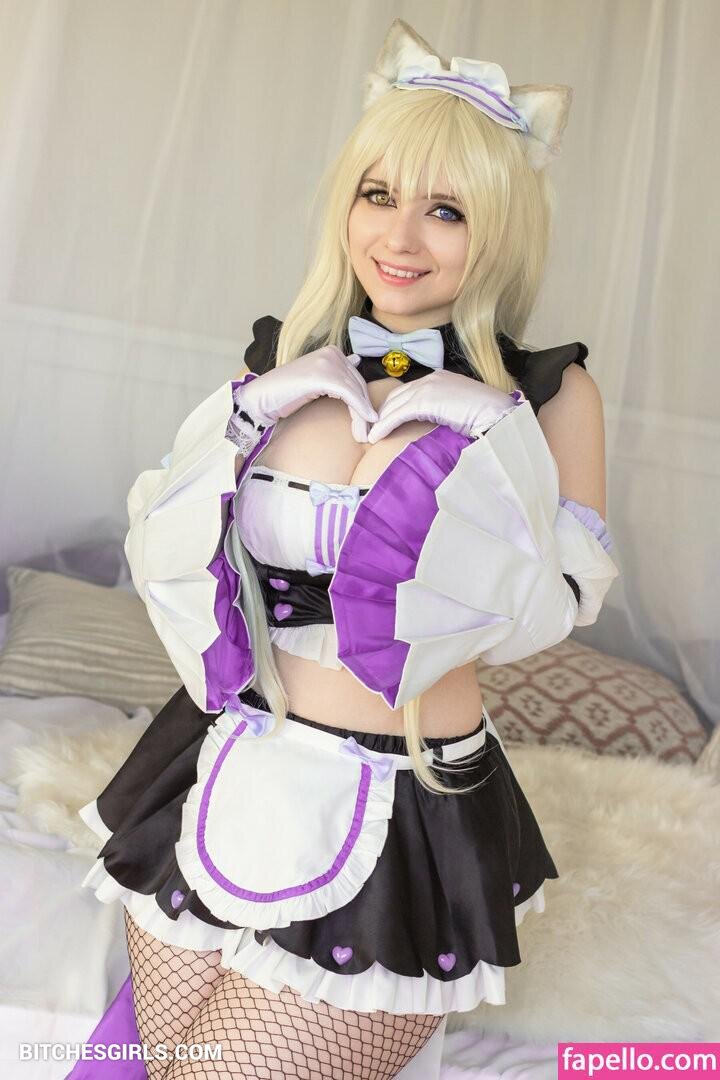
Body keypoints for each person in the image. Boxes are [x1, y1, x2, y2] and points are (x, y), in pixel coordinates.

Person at [67, 17, 619, 1080]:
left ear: (500, 229)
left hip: (403, 799)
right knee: (146, 1067)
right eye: (378, 194)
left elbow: (550, 609)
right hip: (222, 761)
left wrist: (493, 439)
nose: (400, 236)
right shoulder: (284, 359)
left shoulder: (550, 395)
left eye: (447, 209)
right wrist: (242, 415)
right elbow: (169, 545)